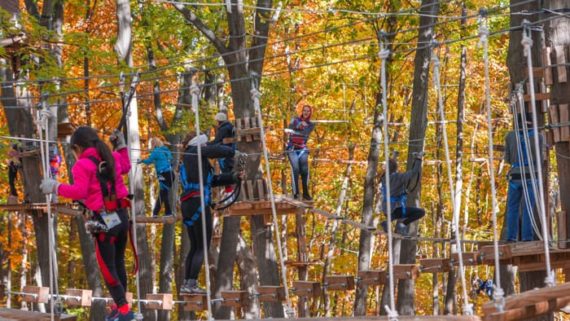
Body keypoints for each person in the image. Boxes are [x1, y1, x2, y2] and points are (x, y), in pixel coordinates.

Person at [40, 127, 136, 321]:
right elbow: (126, 165)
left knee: (108, 268)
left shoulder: (83, 165)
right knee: (117, 263)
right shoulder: (111, 157)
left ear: (77, 147)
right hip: (122, 217)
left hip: (104, 221)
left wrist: (55, 187)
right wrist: (122, 146)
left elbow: (79, 192)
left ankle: (124, 311)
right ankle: (121, 308)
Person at [179, 131, 245, 293]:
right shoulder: (195, 152)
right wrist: (233, 151)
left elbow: (213, 180)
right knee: (201, 246)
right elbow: (216, 150)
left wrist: (234, 177)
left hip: (191, 203)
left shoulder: (192, 160)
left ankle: (188, 283)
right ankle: (191, 283)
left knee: (195, 247)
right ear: (199, 144)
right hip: (197, 203)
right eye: (205, 145)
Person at [504, 113, 545, 242]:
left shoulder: (510, 136)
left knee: (513, 208)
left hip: (515, 176)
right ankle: (527, 237)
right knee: (528, 208)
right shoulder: (538, 137)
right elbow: (541, 159)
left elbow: (508, 159)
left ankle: (511, 237)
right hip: (531, 175)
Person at [378, 153, 425, 236]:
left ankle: (392, 223)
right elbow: (414, 172)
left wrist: (394, 156)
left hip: (386, 208)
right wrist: (418, 159)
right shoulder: (399, 177)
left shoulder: (384, 177)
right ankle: (400, 224)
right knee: (421, 212)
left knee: (395, 212)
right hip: (395, 208)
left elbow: (391, 166)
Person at [286, 105, 315, 200]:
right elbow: (289, 130)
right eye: (304, 110)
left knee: (305, 171)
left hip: (302, 149)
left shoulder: (311, 124)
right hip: (292, 148)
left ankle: (306, 193)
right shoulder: (294, 120)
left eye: (308, 111)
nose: (306, 112)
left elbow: (304, 133)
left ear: (310, 113)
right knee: (295, 169)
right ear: (302, 111)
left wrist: (301, 126)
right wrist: (299, 125)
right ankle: (296, 193)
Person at [140, 137, 173, 216]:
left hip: (163, 174)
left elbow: (148, 161)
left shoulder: (155, 151)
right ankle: (156, 213)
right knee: (163, 193)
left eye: (152, 144)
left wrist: (141, 160)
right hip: (171, 174)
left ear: (154, 144)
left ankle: (168, 213)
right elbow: (171, 159)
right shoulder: (166, 150)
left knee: (163, 194)